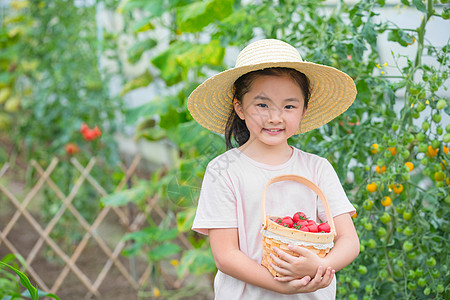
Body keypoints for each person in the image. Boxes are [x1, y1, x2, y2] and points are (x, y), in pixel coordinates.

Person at [187, 39, 360, 299]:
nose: (275, 117)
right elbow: (225, 256)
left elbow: (349, 241)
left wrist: (321, 266)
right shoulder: (224, 171)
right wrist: (282, 285)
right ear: (240, 108)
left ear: (304, 110)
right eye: (262, 105)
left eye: (289, 106)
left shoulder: (317, 169)